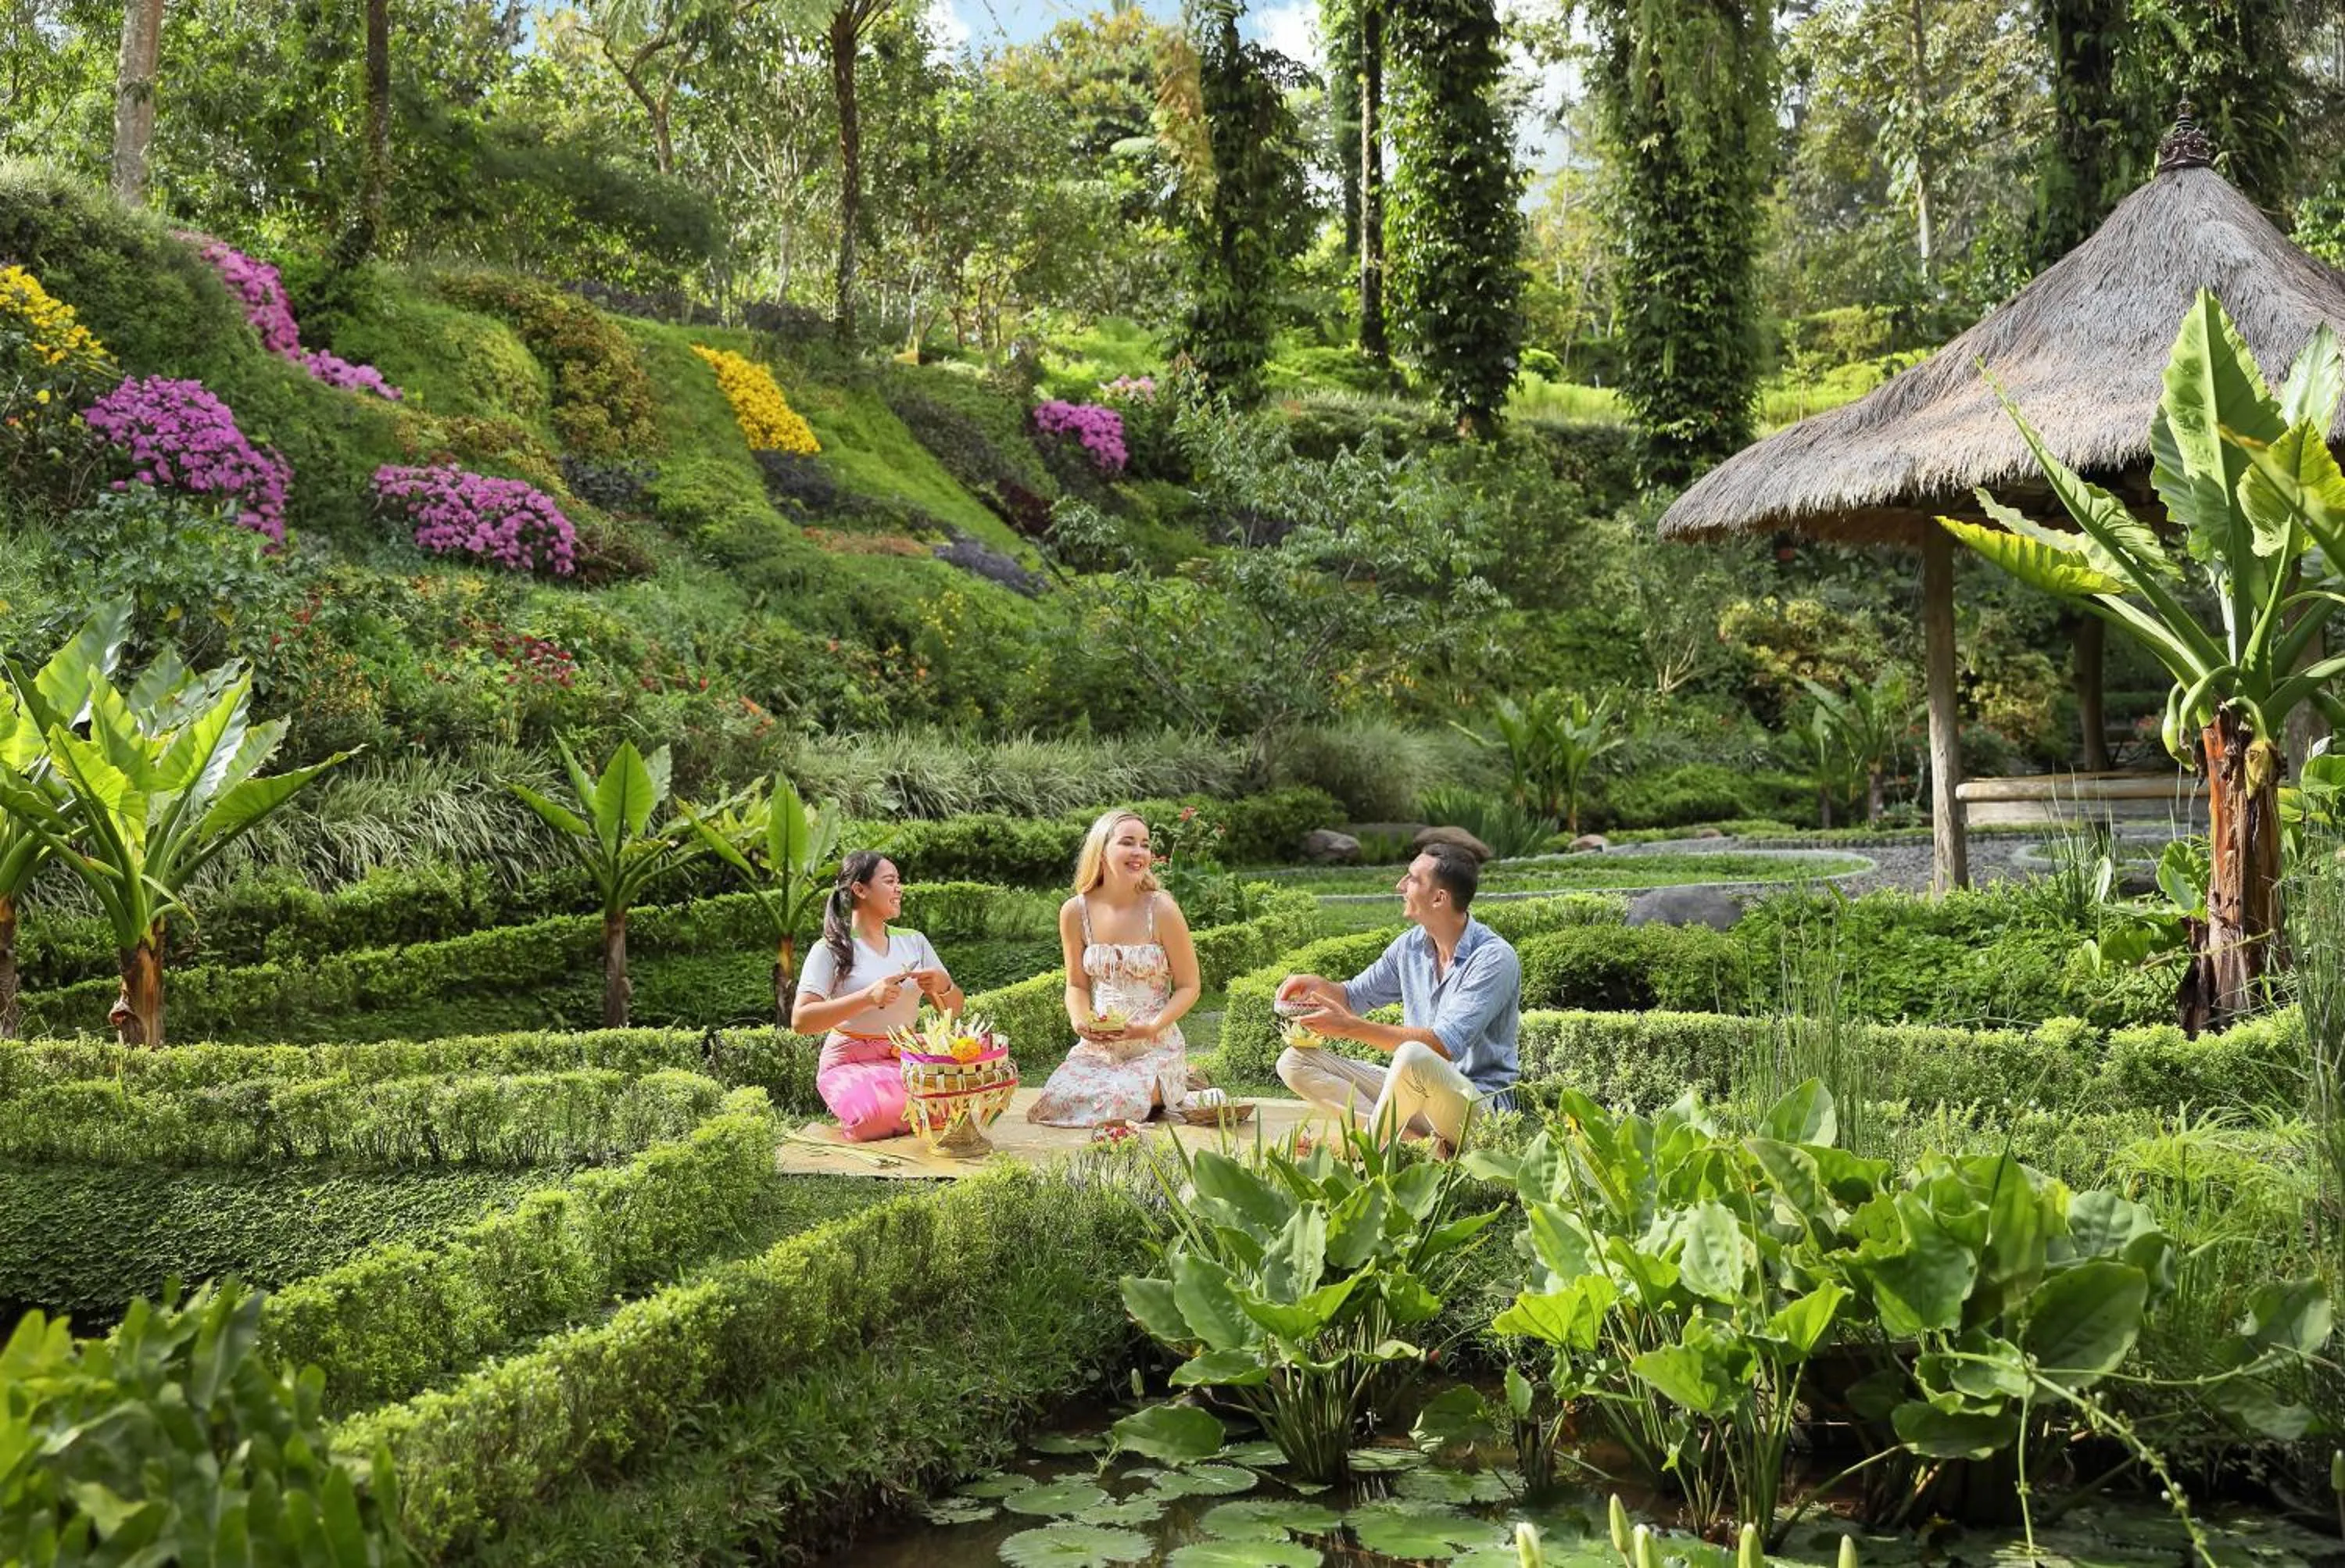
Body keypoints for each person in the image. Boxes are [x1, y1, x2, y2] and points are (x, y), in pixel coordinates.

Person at [1275, 843, 1520, 1155]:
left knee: (1413, 1057)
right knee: (1294, 1061)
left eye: (1413, 879)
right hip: (1417, 1096)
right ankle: (1419, 1147)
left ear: (1439, 898)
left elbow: (1442, 1046)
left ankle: (1370, 1156)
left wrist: (1349, 1027)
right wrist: (1318, 986)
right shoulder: (1410, 946)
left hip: (1478, 1110)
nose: (1400, 886)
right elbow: (1353, 996)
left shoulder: (1494, 959)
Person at [1027, 809, 1214, 1126]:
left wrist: (1151, 1027)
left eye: (1145, 844)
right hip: (1100, 1049)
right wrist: (1080, 1021)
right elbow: (1076, 985)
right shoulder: (1075, 912)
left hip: (1155, 1046)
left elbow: (1189, 986)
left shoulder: (1163, 909)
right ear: (1101, 851)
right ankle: (1164, 1092)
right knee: (1055, 1100)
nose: (1139, 852)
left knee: (1120, 1101)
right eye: (1128, 843)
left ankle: (1172, 1081)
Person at [790, 850, 964, 1141]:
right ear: (859, 889)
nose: (899, 888)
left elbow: (953, 1011)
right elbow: (801, 1021)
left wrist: (943, 986)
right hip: (851, 1061)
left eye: (899, 881)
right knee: (871, 1117)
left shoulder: (914, 941)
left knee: (960, 1100)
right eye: (889, 881)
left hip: (907, 1055)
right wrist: (868, 997)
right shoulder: (830, 948)